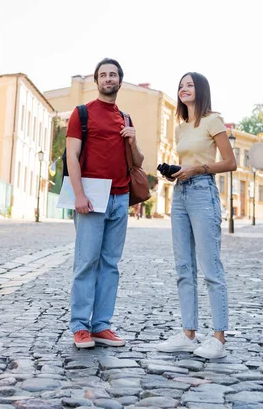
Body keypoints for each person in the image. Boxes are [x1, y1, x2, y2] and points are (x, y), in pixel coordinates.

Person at [156, 72, 236, 360]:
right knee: (183, 267)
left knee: (210, 267)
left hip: (203, 193)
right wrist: (176, 171)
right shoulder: (180, 128)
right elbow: (186, 163)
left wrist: (197, 169)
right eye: (180, 86)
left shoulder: (213, 120)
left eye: (189, 85)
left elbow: (230, 162)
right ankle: (189, 333)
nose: (183, 89)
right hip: (180, 194)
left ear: (201, 90)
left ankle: (218, 338)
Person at [66, 58, 144, 349]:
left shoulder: (126, 118)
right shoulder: (82, 114)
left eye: (113, 75)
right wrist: (79, 195)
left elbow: (137, 163)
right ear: (97, 81)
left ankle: (101, 325)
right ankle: (80, 326)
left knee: (110, 264)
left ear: (119, 81)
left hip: (121, 196)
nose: (108, 79)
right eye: (103, 75)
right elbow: (71, 156)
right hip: (91, 195)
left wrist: (133, 140)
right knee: (87, 262)